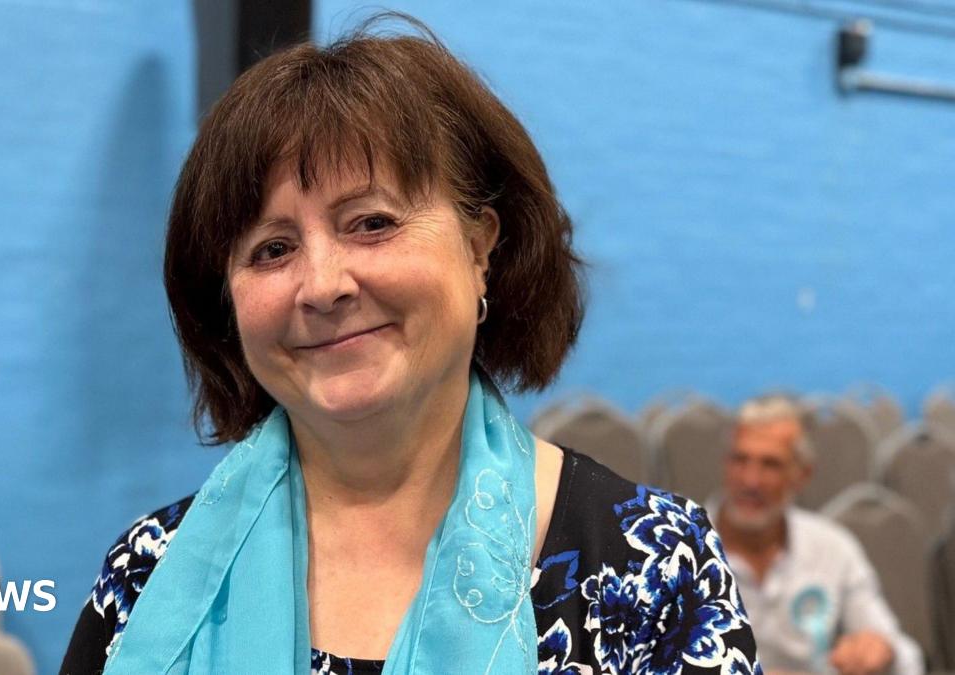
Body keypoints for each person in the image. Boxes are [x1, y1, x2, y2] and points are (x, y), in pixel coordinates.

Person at [61, 13, 760, 674]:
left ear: (482, 244)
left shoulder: (656, 565)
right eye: (272, 249)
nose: (322, 284)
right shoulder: (147, 574)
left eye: (370, 222)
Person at [710, 395, 924, 675]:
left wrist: (883, 651)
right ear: (725, 464)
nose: (751, 480)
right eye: (740, 460)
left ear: (801, 475)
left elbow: (908, 658)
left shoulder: (833, 547)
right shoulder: (673, 550)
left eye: (770, 465)